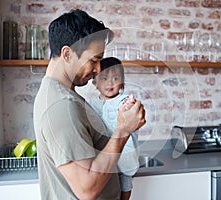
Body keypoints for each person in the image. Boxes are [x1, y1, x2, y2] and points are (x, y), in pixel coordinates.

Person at [33, 9, 146, 200]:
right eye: (94, 60)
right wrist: (123, 130)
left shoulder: (62, 95)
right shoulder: (61, 106)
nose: (97, 69)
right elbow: (87, 189)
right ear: (67, 54)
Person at [89, 57, 139, 200]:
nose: (110, 82)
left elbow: (130, 113)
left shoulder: (122, 101)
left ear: (122, 81)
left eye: (116, 78)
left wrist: (130, 107)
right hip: (102, 155)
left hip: (122, 154)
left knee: (125, 181)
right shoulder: (91, 104)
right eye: (104, 78)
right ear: (95, 81)